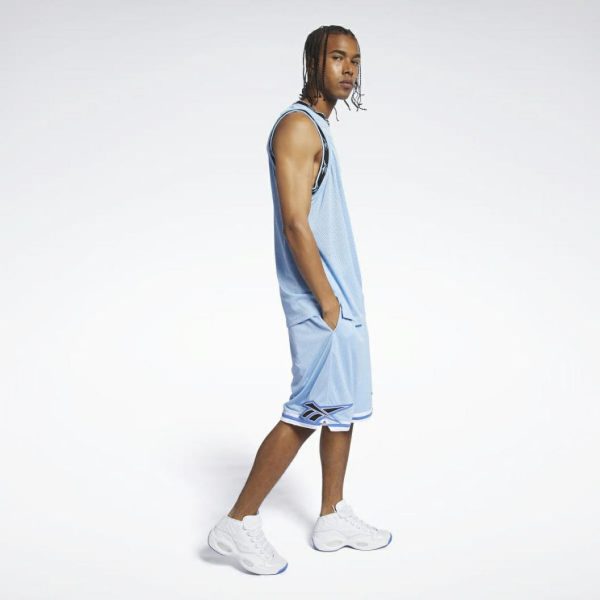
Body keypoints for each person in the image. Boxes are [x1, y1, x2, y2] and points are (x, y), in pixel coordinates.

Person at [207, 25, 391, 576]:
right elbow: (294, 222)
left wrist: (343, 302)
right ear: (313, 62)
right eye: (337, 57)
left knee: (341, 408)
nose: (349, 69)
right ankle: (237, 522)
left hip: (341, 298)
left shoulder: (319, 128)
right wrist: (328, 301)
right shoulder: (296, 127)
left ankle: (333, 515)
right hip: (320, 300)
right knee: (307, 412)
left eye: (355, 60)